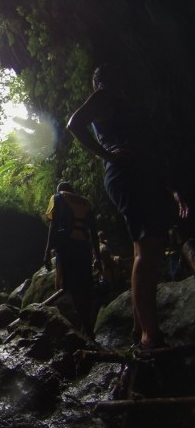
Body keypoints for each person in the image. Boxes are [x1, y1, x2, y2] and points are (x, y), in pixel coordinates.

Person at [66, 63, 189, 349]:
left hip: (141, 175)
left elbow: (149, 152)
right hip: (126, 175)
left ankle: (139, 329)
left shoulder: (125, 106)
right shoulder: (104, 94)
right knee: (148, 247)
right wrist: (107, 155)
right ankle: (150, 336)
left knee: (143, 249)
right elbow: (74, 124)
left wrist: (172, 189)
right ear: (104, 81)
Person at [44, 181, 103, 338]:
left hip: (67, 248)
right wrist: (97, 257)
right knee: (85, 287)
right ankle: (87, 326)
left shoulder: (58, 197)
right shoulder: (85, 203)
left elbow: (53, 225)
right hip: (84, 249)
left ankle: (86, 327)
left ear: (60, 190)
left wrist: (47, 251)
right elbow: (93, 232)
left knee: (72, 287)